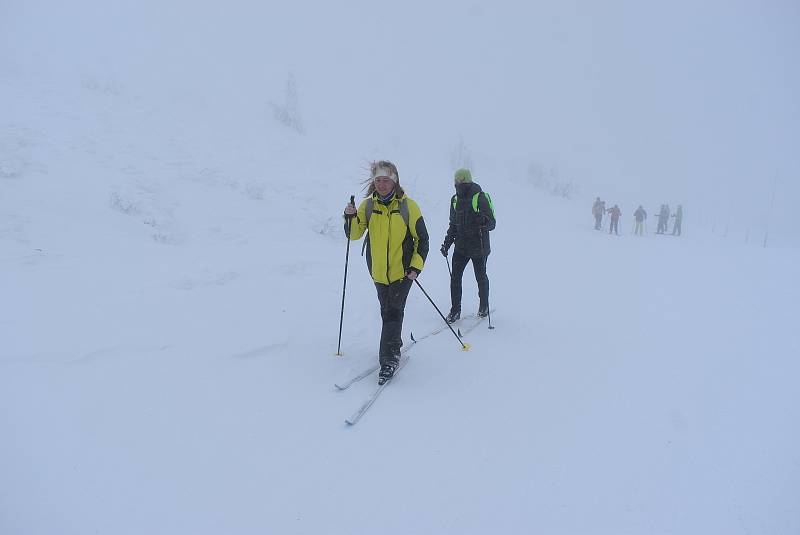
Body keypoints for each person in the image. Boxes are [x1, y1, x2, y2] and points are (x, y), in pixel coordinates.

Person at [343, 160, 429, 384]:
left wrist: (416, 266)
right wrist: (349, 217)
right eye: (378, 180)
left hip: (403, 272)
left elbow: (423, 239)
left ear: (395, 181)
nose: (381, 184)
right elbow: (354, 234)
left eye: (386, 180)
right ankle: (394, 343)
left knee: (393, 311)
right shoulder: (368, 206)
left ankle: (389, 358)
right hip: (378, 272)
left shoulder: (408, 207)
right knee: (386, 310)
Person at [440, 168, 496, 323]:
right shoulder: (455, 199)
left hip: (479, 245)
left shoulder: (480, 197)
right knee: (455, 278)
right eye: (456, 182)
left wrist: (483, 221)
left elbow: (492, 223)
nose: (457, 184)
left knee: (480, 278)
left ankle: (484, 307)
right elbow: (453, 224)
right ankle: (455, 310)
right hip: (461, 247)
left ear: (467, 181)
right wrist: (447, 243)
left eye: (460, 181)